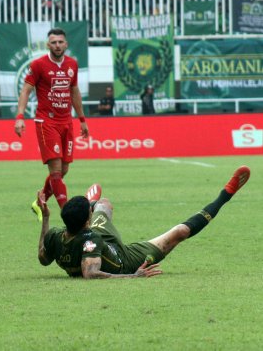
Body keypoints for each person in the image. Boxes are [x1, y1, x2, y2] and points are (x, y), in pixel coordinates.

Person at [37, 166, 250, 279]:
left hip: (99, 241)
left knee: (104, 204)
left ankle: (93, 203)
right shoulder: (91, 240)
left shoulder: (55, 235)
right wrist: (133, 275)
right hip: (125, 259)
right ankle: (226, 195)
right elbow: (90, 274)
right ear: (86, 222)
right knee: (180, 232)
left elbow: (43, 258)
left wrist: (46, 218)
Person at [13, 28, 89, 215]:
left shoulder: (72, 64)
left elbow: (74, 91)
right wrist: (20, 117)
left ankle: (40, 201)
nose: (57, 45)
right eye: (53, 42)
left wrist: (82, 119)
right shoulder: (38, 65)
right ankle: (68, 214)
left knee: (63, 170)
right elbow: (26, 90)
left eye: (60, 42)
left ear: (66, 44)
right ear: (48, 45)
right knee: (55, 171)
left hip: (66, 122)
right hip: (46, 121)